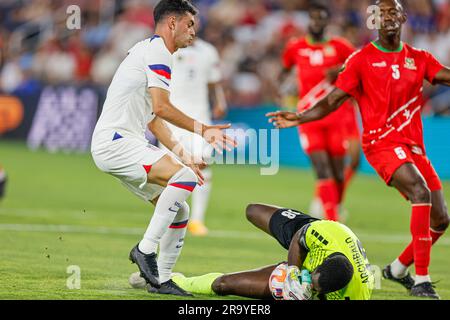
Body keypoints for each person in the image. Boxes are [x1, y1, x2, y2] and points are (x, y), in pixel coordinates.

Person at [267, 0, 450, 299]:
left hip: (415, 148)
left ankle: (398, 269)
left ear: (404, 17)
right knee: (420, 192)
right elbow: (333, 99)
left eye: (394, 12)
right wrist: (300, 116)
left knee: (441, 219)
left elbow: (446, 75)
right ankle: (421, 281)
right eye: (382, 13)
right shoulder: (362, 59)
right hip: (381, 144)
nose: (388, 17)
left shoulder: (419, 58)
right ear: (373, 21)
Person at [91, 0, 236, 296]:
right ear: (172, 23)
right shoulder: (158, 51)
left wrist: (186, 157)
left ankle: (160, 280)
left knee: (180, 209)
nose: (194, 31)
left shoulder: (150, 51)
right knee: (183, 178)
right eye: (190, 24)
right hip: (116, 141)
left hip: (118, 143)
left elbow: (154, 119)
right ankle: (145, 250)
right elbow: (163, 107)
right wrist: (203, 129)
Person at [129, 203, 374, 300]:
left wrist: (295, 292)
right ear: (320, 265)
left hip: (312, 282)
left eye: (318, 287)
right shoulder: (325, 234)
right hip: (308, 237)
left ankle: (174, 280)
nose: (314, 284)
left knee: (225, 285)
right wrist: (292, 272)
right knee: (252, 211)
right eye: (315, 281)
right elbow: (299, 239)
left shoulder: (355, 295)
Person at [278, 2, 359, 222]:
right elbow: (283, 73)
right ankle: (332, 220)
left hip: (336, 116)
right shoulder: (295, 47)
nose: (317, 22)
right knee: (322, 168)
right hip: (308, 116)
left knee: (338, 172)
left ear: (327, 22)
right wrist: (287, 90)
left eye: (321, 18)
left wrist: (341, 71)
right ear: (308, 20)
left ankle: (334, 205)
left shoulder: (340, 46)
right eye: (313, 18)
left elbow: (360, 65)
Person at [162, 35, 227, 236]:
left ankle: (197, 220)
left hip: (200, 118)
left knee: (202, 164)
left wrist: (219, 101)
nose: (190, 26)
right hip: (172, 118)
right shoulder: (166, 47)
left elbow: (213, 82)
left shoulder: (208, 51)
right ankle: (168, 216)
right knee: (169, 169)